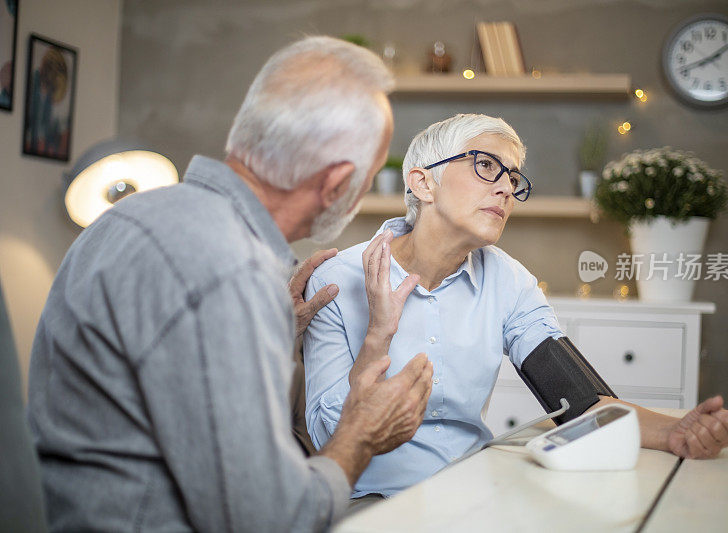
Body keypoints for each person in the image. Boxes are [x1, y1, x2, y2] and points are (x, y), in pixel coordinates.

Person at [26, 36, 434, 532]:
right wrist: (360, 435)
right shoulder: (231, 272)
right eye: (368, 179)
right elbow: (268, 521)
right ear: (335, 184)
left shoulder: (124, 216)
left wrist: (269, 329)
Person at [303, 113, 728, 497]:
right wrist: (378, 335)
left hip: (471, 494)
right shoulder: (335, 281)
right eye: (485, 165)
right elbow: (328, 439)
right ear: (423, 182)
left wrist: (674, 433)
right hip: (367, 505)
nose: (506, 188)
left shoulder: (509, 281)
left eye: (512, 177)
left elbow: (578, 398)